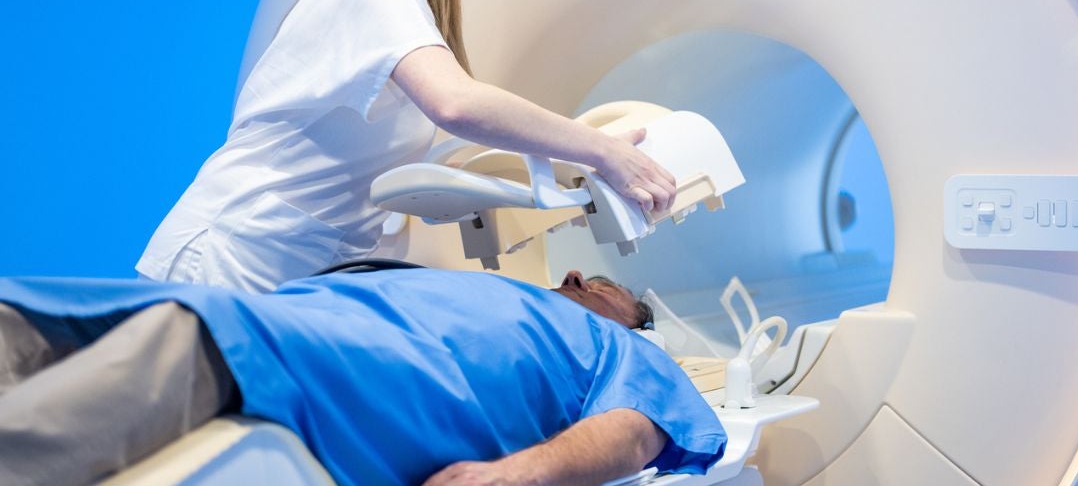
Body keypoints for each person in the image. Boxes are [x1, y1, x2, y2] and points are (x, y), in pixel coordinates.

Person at [136, 0, 677, 293]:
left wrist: (550, 177)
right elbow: (458, 104)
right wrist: (601, 151)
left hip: (289, 272)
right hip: (228, 260)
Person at [0, 268, 723, 485]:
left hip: (373, 365)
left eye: (620, 291)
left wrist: (518, 477)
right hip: (305, 312)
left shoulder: (626, 349)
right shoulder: (493, 282)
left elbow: (633, 436)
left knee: (186, 337)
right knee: (31, 318)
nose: (586, 280)